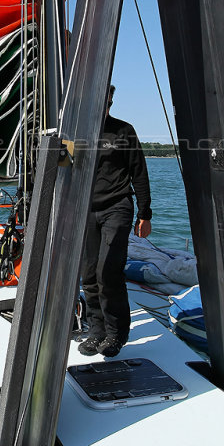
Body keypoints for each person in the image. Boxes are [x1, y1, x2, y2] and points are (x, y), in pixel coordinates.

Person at [78, 86, 152, 358]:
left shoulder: (123, 130)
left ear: (110, 100)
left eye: (106, 100)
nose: (102, 104)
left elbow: (139, 172)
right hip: (86, 210)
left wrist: (145, 213)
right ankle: (96, 331)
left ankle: (116, 333)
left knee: (108, 271)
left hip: (117, 206)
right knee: (89, 274)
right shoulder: (78, 131)